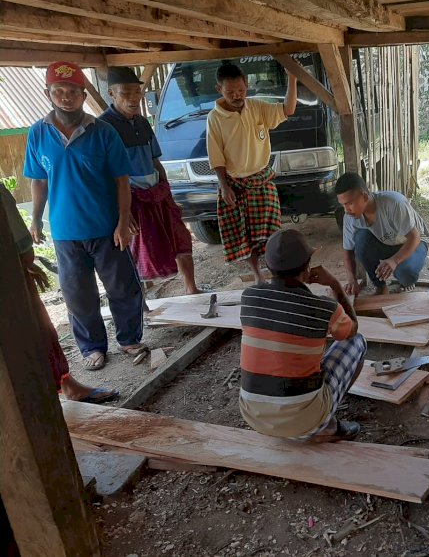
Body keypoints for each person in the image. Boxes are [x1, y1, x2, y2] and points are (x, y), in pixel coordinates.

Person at [24, 61, 146, 371]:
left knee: (122, 287)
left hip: (106, 227)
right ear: (48, 93)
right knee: (79, 296)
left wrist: (123, 221)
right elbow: (38, 180)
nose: (66, 97)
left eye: (73, 92)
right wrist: (37, 218)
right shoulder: (38, 133)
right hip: (65, 231)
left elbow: (122, 180)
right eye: (59, 91)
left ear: (83, 94)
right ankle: (92, 347)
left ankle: (129, 339)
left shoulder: (103, 132)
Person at [238, 229, 366, 442]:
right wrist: (335, 285)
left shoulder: (249, 296)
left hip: (254, 416)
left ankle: (300, 418)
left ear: (269, 267)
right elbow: (352, 329)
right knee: (357, 342)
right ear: (307, 267)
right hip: (304, 420)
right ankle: (325, 425)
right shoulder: (324, 308)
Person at [1, 184, 119, 402]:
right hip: (10, 290)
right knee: (37, 337)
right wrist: (26, 262)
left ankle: (64, 388)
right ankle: (54, 396)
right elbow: (24, 252)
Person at [99, 66, 200, 295]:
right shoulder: (103, 127)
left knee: (180, 237)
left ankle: (191, 288)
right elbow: (103, 175)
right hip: (131, 198)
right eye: (126, 92)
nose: (133, 98)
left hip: (157, 192)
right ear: (111, 94)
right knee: (136, 251)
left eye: (137, 91)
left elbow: (155, 161)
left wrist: (168, 194)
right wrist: (122, 213)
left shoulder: (142, 122)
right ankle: (140, 303)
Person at [206, 63, 297, 284]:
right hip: (234, 184)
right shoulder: (214, 118)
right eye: (230, 92)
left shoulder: (257, 108)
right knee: (246, 238)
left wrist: (292, 79)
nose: (236, 96)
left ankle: (278, 274)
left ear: (247, 84)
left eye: (240, 90)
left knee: (273, 233)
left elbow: (288, 109)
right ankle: (258, 277)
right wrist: (224, 186)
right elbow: (216, 156)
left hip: (262, 181)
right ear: (219, 89)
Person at [336, 172, 429, 296]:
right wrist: (352, 280)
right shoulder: (350, 218)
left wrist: (394, 261)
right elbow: (348, 251)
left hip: (414, 242)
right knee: (361, 239)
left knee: (406, 274)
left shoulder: (394, 203)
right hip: (388, 242)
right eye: (343, 205)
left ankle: (406, 280)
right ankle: (380, 286)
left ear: (364, 196)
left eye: (349, 203)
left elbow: (414, 237)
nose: (346, 211)